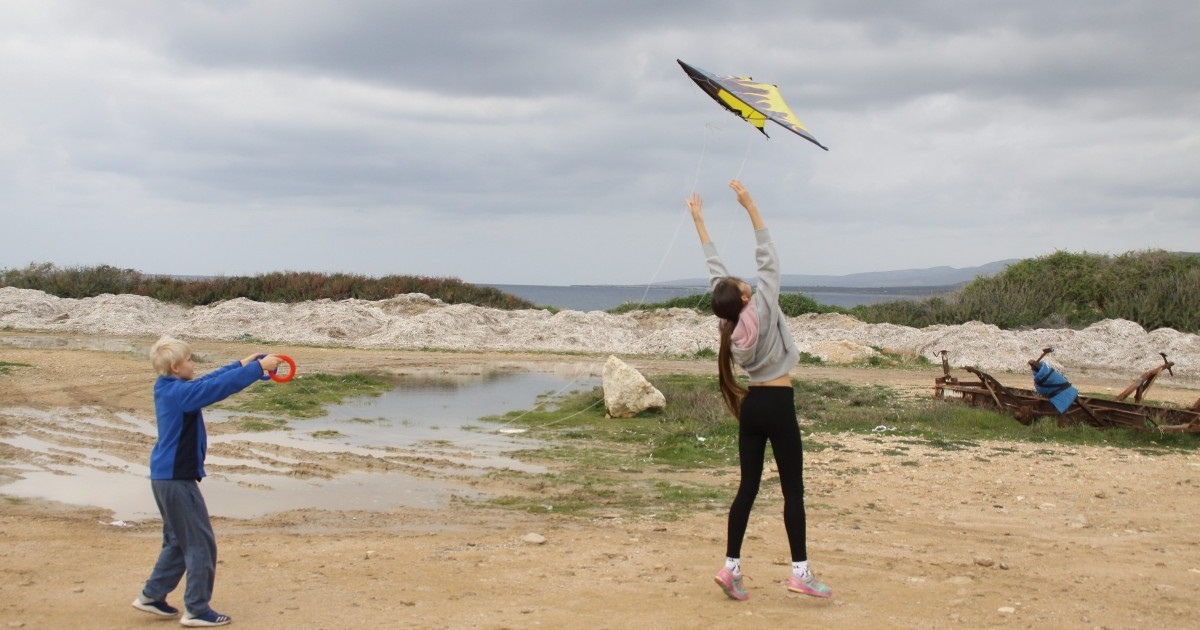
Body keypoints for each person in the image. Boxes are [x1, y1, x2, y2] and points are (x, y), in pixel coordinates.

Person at [687, 180, 832, 601]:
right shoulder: (763, 302)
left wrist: (699, 221)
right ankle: (800, 573)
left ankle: (731, 567)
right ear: (746, 293)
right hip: (778, 403)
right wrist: (750, 204)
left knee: (747, 487)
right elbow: (767, 253)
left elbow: (718, 277)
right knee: (793, 493)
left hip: (751, 407)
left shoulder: (729, 324)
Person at [131, 336, 285, 627]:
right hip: (176, 480)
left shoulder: (170, 387)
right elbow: (213, 389)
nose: (193, 364)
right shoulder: (179, 394)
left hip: (166, 477)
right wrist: (256, 370)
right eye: (189, 360)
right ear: (176, 367)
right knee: (201, 543)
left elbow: (206, 382)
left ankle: (151, 596)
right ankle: (197, 610)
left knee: (178, 541)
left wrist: (241, 364)